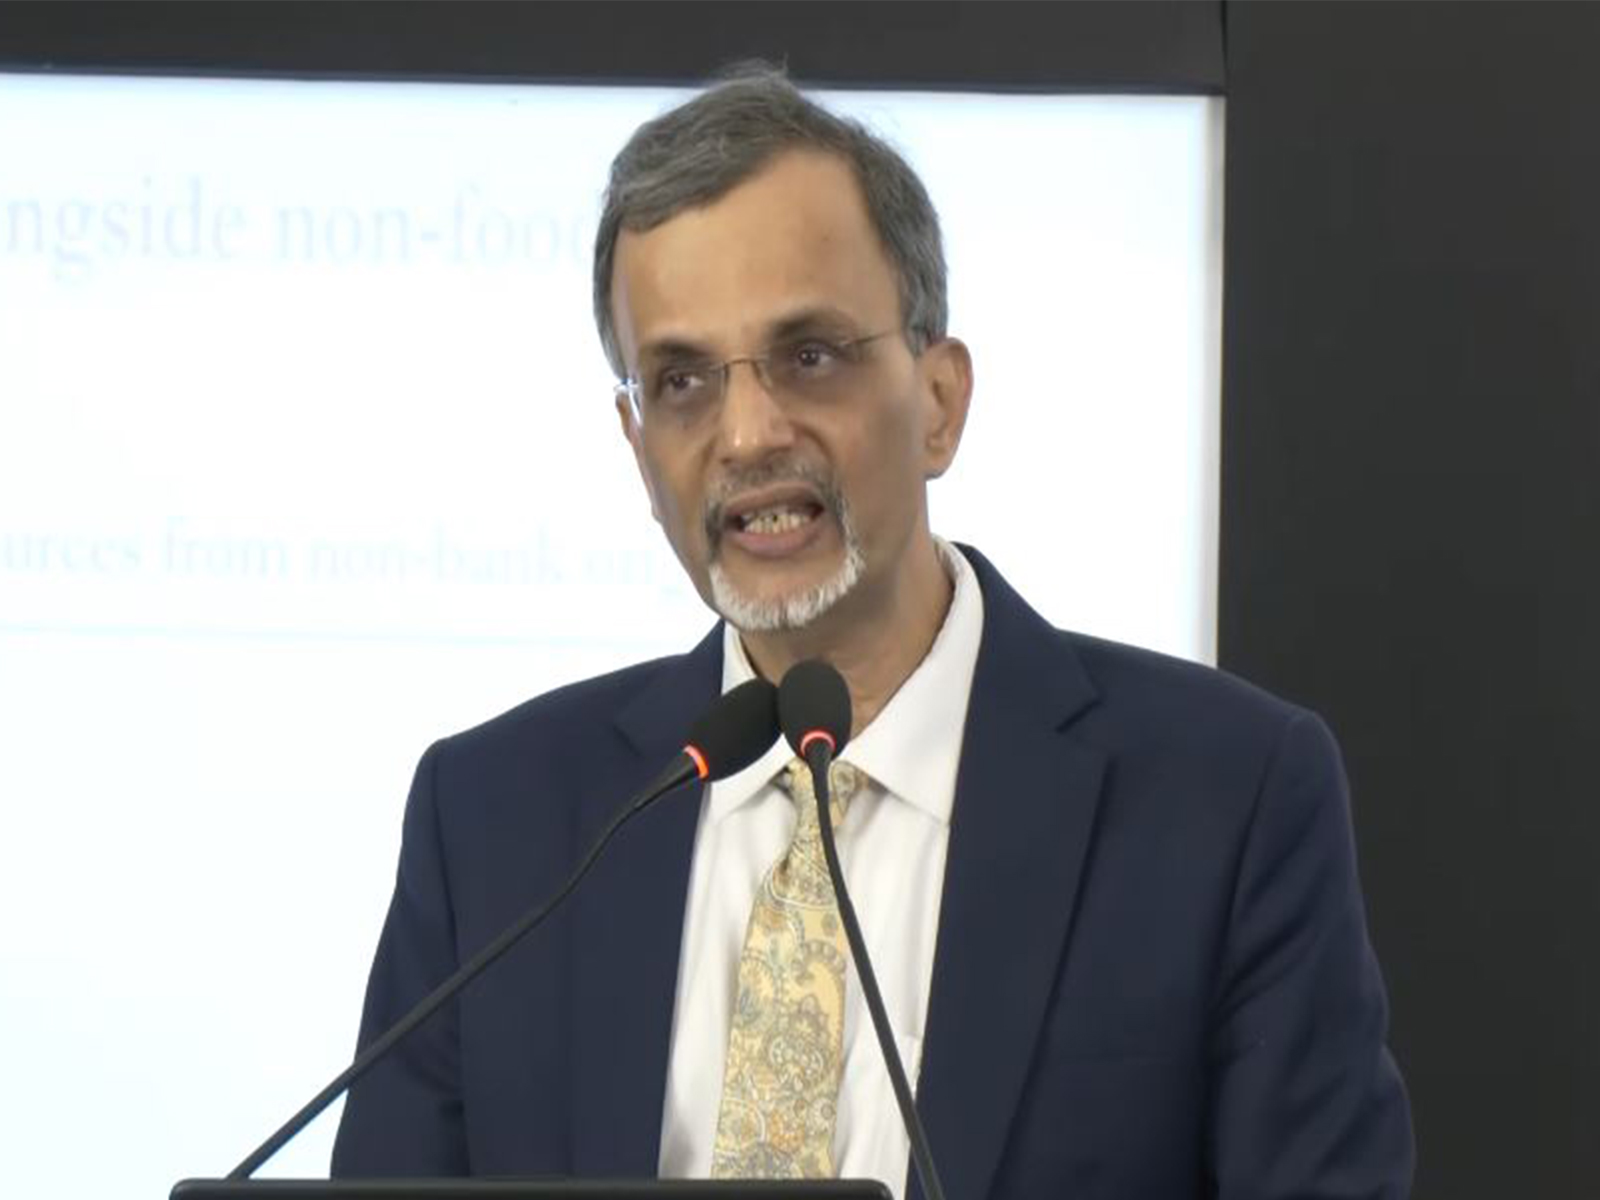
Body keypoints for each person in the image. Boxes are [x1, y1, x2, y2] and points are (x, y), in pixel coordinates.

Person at [332, 66, 1414, 1199]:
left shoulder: (1228, 799)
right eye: (683, 380)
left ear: (939, 401)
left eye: (809, 355)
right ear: (637, 446)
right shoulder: (493, 823)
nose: (749, 434)